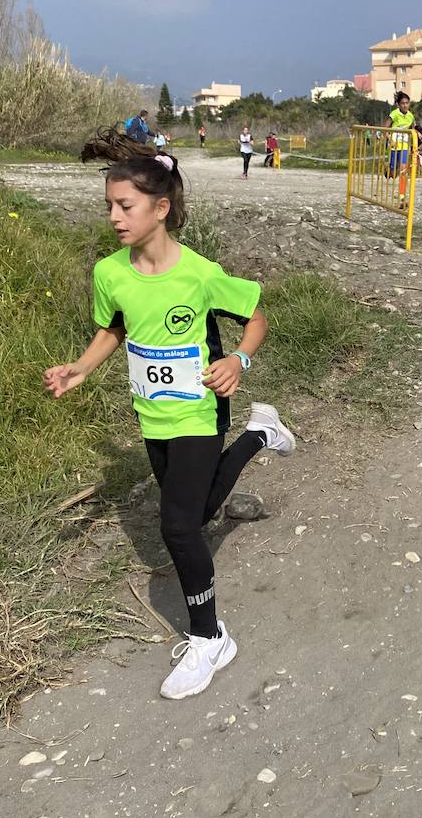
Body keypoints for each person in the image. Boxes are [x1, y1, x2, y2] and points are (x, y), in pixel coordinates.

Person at [44, 152, 295, 700]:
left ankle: (210, 638)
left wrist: (239, 361)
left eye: (125, 205)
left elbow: (257, 317)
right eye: (109, 205)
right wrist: (82, 368)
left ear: (161, 208)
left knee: (178, 527)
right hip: (151, 414)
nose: (114, 216)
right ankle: (260, 433)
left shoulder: (199, 273)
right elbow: (114, 327)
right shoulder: (109, 273)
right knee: (201, 511)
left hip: (199, 411)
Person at [385, 92, 415, 180]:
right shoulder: (394, 114)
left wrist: (417, 134)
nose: (405, 105)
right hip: (394, 143)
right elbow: (385, 129)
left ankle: (402, 191)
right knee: (393, 173)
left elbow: (413, 128)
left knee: (403, 167)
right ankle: (388, 171)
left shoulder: (410, 116)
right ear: (398, 105)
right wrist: (390, 140)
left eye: (407, 103)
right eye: (403, 103)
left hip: (404, 144)